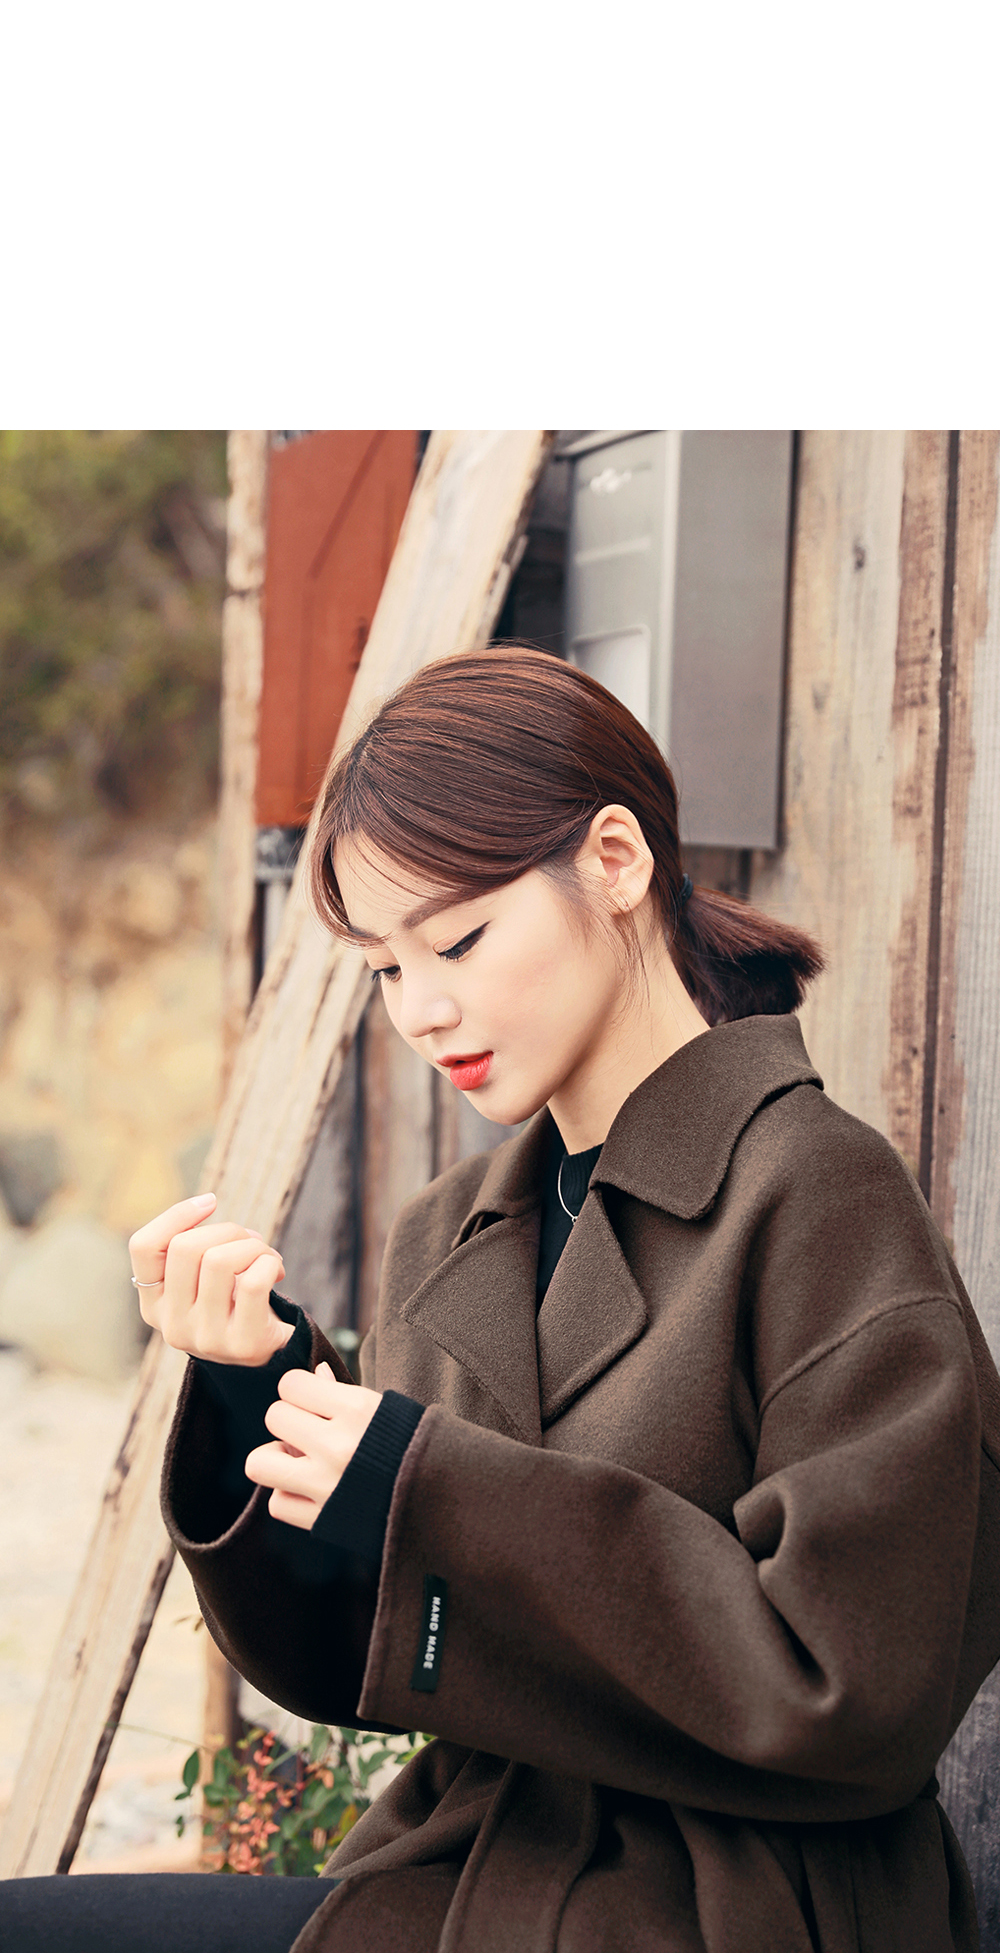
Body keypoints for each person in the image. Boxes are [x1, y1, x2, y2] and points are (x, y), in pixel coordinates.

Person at [5, 646, 1000, 1953]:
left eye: (459, 940)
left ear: (616, 862)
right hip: (476, 1871)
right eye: (384, 968)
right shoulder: (453, 1232)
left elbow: (854, 1691)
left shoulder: (818, 1193)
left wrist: (432, 1484)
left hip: (729, 1905)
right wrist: (263, 1393)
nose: (421, 1010)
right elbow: (359, 1662)